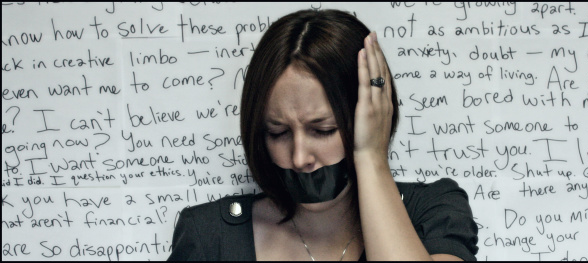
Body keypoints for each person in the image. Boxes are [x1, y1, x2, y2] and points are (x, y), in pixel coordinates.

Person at [168, 9, 478, 261]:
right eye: (278, 133)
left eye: (323, 130)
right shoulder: (209, 235)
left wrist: (372, 158)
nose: (300, 157)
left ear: (372, 117)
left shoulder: (434, 210)